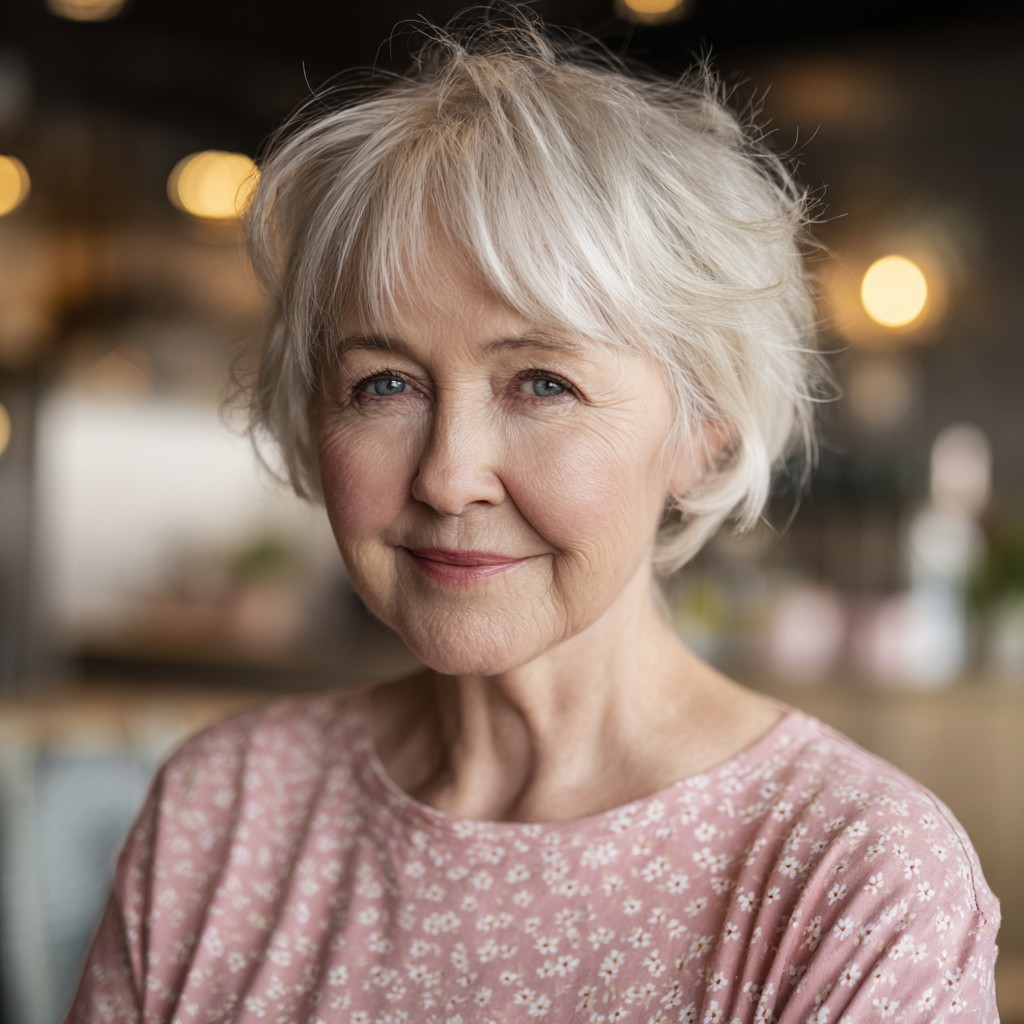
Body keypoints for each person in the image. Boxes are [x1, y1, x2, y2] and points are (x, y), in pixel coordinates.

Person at [66, 14, 1000, 1023]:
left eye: (542, 383)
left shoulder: (852, 878)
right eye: (384, 384)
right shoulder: (223, 811)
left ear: (707, 432)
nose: (448, 475)